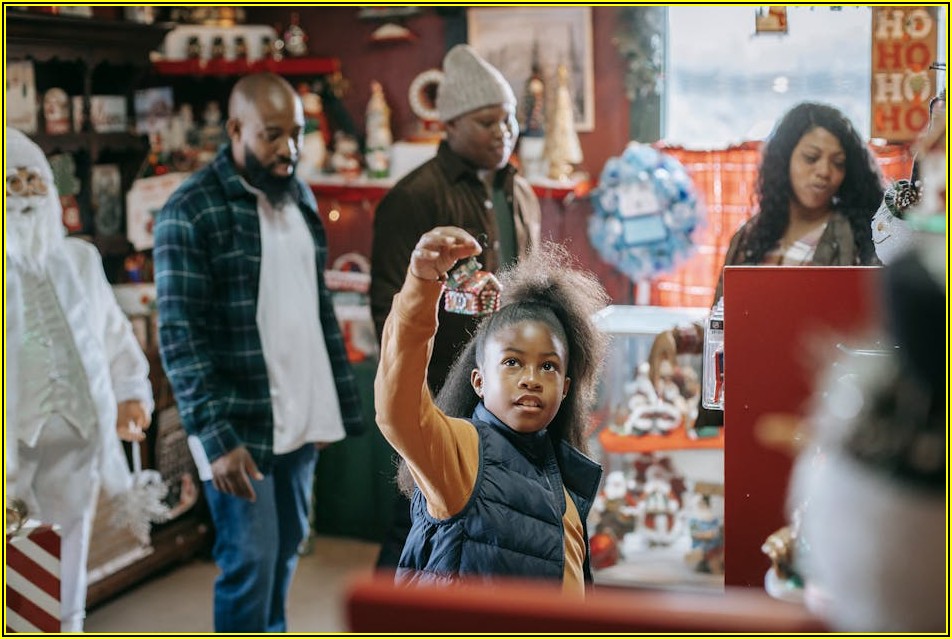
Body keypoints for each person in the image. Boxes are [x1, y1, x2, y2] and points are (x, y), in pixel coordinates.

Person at [153, 72, 365, 633]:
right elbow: (178, 335)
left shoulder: (298, 195)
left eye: (295, 133)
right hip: (236, 422)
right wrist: (214, 439)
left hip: (298, 416)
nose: (288, 149)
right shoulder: (189, 211)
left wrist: (327, 403)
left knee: (289, 547)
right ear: (235, 129)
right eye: (272, 135)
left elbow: (311, 305)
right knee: (250, 560)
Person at [370, 43, 542, 567]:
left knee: (491, 525)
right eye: (487, 121)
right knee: (420, 519)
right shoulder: (414, 198)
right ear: (450, 124)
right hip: (442, 388)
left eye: (509, 118)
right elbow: (389, 307)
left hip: (505, 385)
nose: (504, 131)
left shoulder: (520, 191)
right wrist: (417, 398)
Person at [375, 226, 608, 593]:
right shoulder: (463, 451)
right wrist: (421, 284)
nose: (531, 379)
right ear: (479, 381)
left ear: (565, 389)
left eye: (547, 366)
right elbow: (398, 410)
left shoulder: (563, 476)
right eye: (512, 363)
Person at [5, 127, 155, 632]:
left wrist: (132, 393)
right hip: (13, 447)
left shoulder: (80, 259)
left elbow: (114, 335)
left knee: (67, 562)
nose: (25, 195)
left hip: (79, 443)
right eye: (12, 182)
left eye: (34, 181)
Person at [648, 102, 884, 414]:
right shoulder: (750, 238)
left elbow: (871, 333)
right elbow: (729, 325)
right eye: (811, 158)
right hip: (750, 402)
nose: (825, 172)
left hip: (822, 408)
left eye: (838, 163)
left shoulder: (860, 238)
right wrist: (678, 338)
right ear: (784, 158)